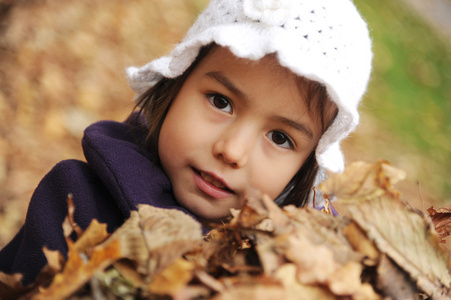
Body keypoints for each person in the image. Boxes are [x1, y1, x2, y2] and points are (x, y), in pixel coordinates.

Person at [0, 0, 372, 285]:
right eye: (220, 102)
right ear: (175, 84)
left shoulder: (290, 273)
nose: (232, 150)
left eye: (280, 138)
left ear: (306, 167)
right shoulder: (73, 206)